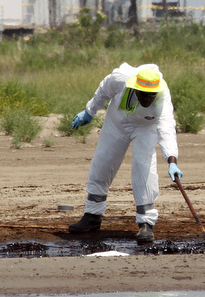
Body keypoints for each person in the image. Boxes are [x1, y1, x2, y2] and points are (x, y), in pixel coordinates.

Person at [68, 63, 183, 243]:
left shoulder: (163, 98)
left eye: (150, 95)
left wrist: (172, 160)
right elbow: (103, 90)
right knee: (102, 163)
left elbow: (166, 128)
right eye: (142, 94)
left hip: (146, 128)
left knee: (144, 168)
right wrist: (90, 111)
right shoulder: (120, 78)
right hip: (117, 122)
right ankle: (92, 216)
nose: (146, 98)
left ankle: (146, 223)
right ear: (135, 88)